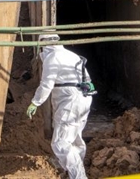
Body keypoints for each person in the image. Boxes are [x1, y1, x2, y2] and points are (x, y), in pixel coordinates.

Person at [26, 34, 96, 179]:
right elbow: (88, 80)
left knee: (60, 143)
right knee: (75, 139)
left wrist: (35, 102)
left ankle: (78, 176)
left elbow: (46, 84)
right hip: (83, 98)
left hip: (70, 100)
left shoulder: (52, 58)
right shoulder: (72, 55)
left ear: (43, 44)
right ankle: (72, 172)